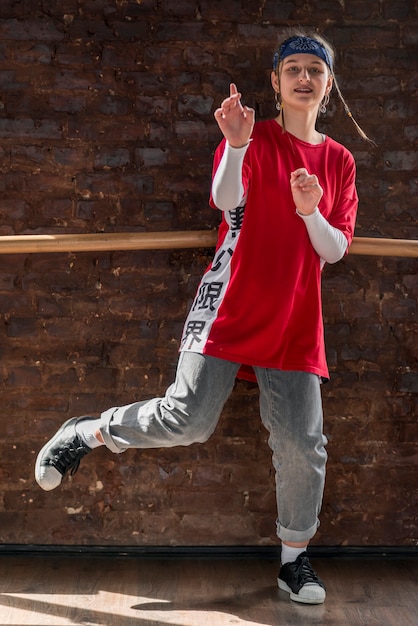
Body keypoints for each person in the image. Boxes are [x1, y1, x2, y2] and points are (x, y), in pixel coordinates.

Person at [35, 28, 371, 605]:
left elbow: (334, 249)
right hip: (230, 303)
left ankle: (295, 562)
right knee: (186, 419)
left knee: (301, 443)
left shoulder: (339, 160)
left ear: (328, 84)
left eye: (315, 70)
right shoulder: (252, 137)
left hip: (293, 318)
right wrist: (236, 144)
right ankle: (88, 432)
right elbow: (224, 200)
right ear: (275, 81)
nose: (303, 78)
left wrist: (310, 211)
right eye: (292, 69)